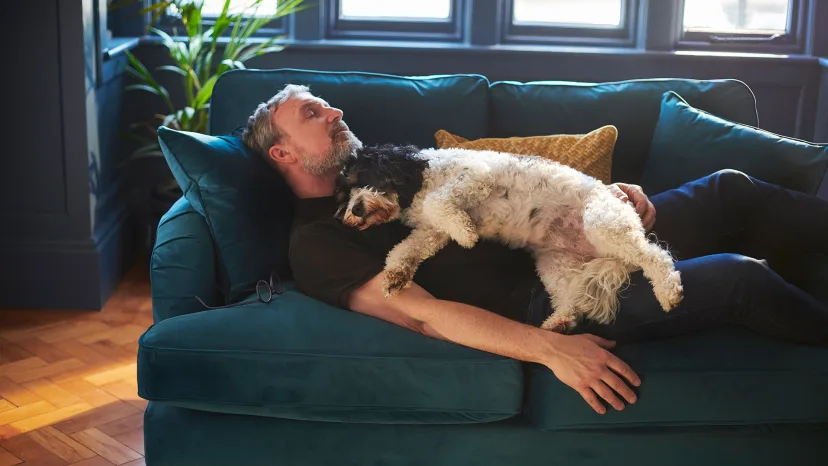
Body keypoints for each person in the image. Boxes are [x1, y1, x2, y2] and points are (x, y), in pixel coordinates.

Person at [242, 84, 828, 415]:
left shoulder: (385, 166)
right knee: (738, 278)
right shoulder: (317, 240)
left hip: (564, 222)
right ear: (283, 155)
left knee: (729, 190)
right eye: (312, 115)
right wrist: (551, 348)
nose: (336, 112)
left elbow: (505, 182)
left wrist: (611, 194)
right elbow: (421, 314)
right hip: (546, 287)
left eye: (327, 104)